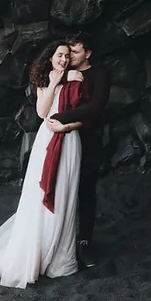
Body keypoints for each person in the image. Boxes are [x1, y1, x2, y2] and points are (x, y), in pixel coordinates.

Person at [0, 41, 88, 288]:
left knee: (66, 195)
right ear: (51, 57)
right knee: (40, 197)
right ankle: (38, 250)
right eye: (59, 55)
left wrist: (67, 123)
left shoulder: (76, 80)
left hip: (69, 141)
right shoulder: (44, 80)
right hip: (47, 138)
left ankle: (59, 255)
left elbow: (84, 115)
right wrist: (56, 82)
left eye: (67, 57)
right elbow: (41, 111)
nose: (63, 60)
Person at [45, 33, 111, 269]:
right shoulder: (63, 72)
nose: (69, 56)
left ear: (88, 53)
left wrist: (62, 119)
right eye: (67, 52)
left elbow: (95, 108)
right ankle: (60, 240)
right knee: (62, 188)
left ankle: (84, 242)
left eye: (75, 52)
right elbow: (47, 89)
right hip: (62, 141)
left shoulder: (99, 74)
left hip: (88, 140)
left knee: (85, 190)